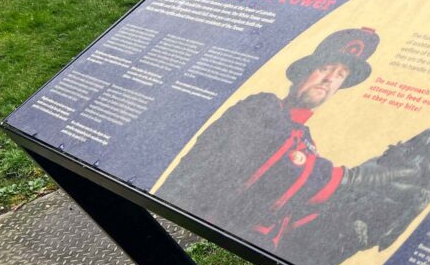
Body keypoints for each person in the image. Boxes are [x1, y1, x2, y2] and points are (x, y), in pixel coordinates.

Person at [158, 27, 381, 248]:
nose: (330, 79)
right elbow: (283, 163)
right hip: (181, 222)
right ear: (304, 71)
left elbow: (299, 202)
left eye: (340, 75)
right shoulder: (263, 105)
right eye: (325, 68)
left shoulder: (306, 140)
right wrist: (351, 177)